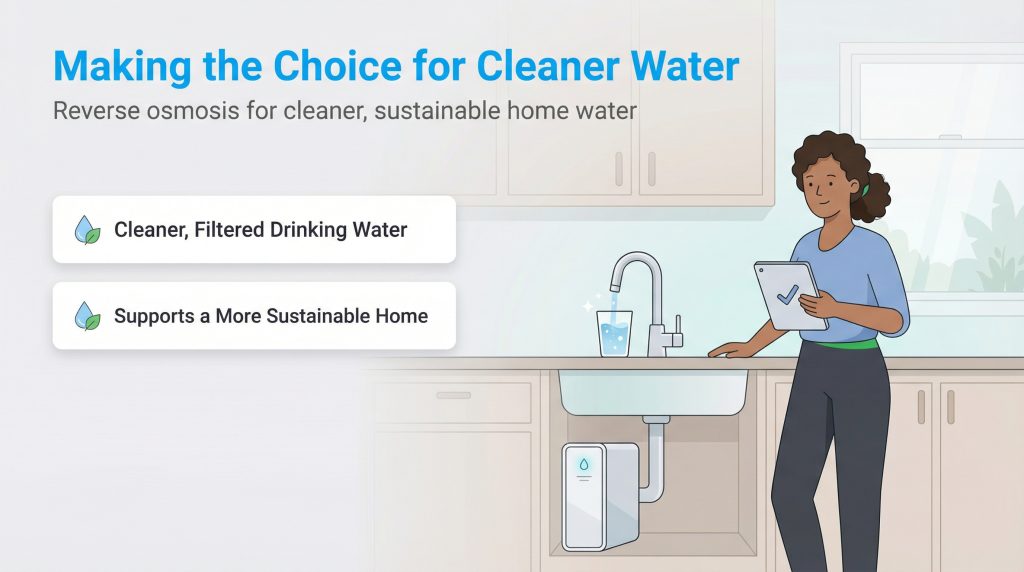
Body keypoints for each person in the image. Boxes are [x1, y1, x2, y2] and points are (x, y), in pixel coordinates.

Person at [709, 130, 910, 571]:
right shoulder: (804, 246)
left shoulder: (872, 247)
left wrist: (839, 308)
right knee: (788, 492)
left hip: (861, 373)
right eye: (811, 183)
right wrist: (750, 347)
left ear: (853, 186)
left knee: (857, 498)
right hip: (814, 370)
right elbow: (790, 311)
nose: (818, 192)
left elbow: (897, 321)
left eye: (830, 181)